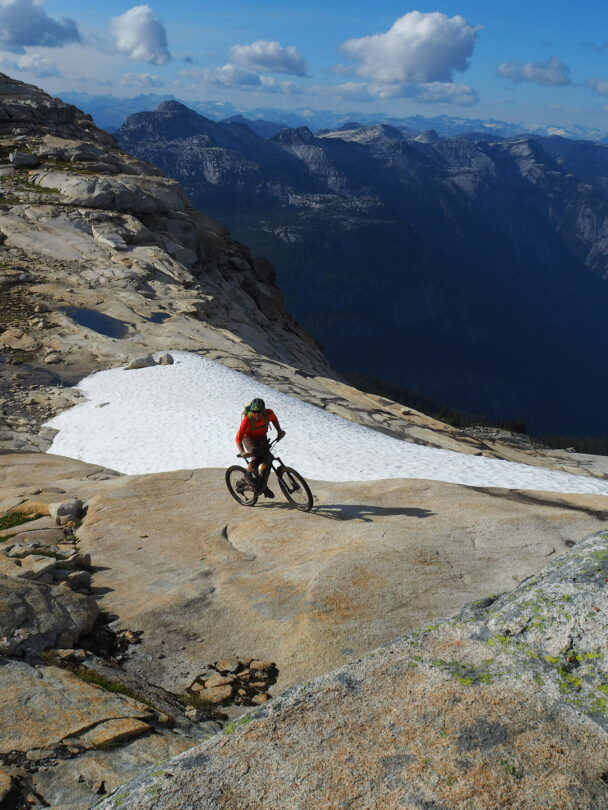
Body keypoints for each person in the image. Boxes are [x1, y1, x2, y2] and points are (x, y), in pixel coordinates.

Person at [236, 398, 285, 498]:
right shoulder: (247, 420)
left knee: (267, 460)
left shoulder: (269, 414)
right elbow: (238, 438)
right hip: (249, 439)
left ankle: (263, 486)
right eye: (254, 412)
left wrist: (279, 431)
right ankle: (247, 476)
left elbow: (274, 420)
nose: (256, 414)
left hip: (262, 438)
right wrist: (242, 452)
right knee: (257, 458)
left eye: (259, 412)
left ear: (263, 411)